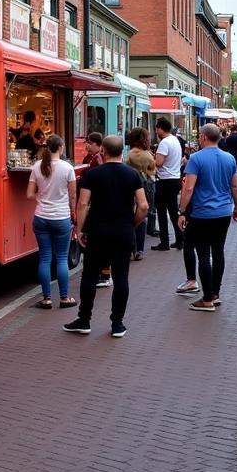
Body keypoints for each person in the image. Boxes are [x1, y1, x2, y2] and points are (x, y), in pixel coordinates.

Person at [63, 135, 147, 339]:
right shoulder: (133, 174)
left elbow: (83, 204)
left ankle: (84, 320)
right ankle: (117, 323)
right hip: (123, 232)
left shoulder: (93, 174)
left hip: (98, 231)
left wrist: (80, 229)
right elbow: (143, 206)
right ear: (122, 152)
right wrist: (132, 223)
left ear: (103, 151)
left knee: (90, 275)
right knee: (121, 278)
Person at [177, 123, 237, 311]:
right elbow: (235, 186)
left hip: (202, 213)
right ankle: (215, 293)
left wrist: (181, 211)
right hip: (223, 212)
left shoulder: (196, 159)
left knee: (203, 254)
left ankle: (206, 299)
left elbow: (188, 188)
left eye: (199, 136)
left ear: (204, 137)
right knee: (218, 251)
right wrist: (236, 206)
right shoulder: (229, 158)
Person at [27, 134, 76, 309]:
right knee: (62, 258)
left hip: (41, 217)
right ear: (61, 147)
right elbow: (72, 195)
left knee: (45, 258)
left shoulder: (36, 166)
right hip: (61, 217)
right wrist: (74, 213)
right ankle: (64, 297)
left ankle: (46, 298)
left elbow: (29, 194)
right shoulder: (67, 168)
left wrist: (41, 199)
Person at [152, 117, 183, 251]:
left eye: (156, 129)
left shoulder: (164, 143)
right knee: (173, 211)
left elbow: (159, 162)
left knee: (162, 212)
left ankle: (164, 242)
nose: (156, 131)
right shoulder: (175, 140)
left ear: (160, 129)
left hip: (164, 181)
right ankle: (180, 239)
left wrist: (151, 158)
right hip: (175, 179)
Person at [126, 127, 156, 261]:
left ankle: (131, 248)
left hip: (133, 186)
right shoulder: (147, 154)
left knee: (131, 215)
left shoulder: (131, 154)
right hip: (148, 186)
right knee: (142, 216)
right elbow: (152, 169)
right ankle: (140, 250)